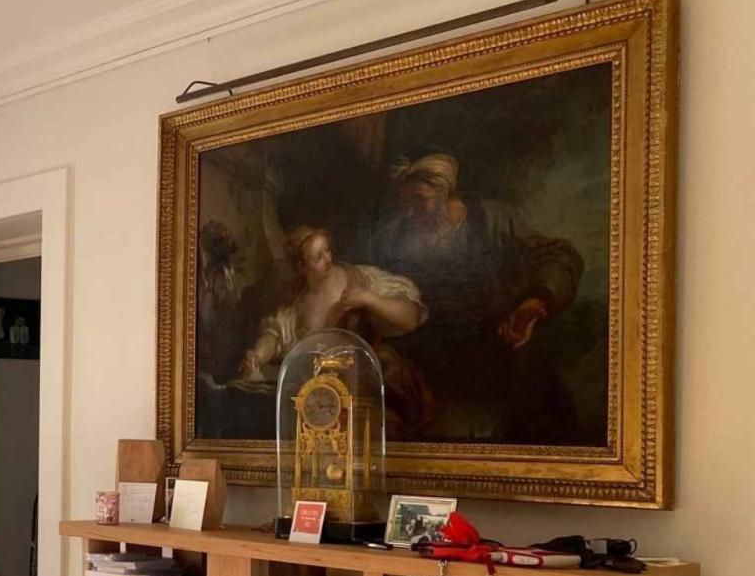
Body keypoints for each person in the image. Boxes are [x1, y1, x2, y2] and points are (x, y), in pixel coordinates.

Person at [358, 152, 586, 438]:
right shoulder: (399, 237)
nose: (410, 213)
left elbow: (556, 256)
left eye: (419, 200)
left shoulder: (491, 219)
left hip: (501, 348)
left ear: (445, 193)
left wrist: (536, 300)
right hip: (433, 362)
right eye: (406, 204)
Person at [238, 225, 425, 378]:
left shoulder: (359, 278)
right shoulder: (298, 302)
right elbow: (275, 334)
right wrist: (257, 356)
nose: (328, 258)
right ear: (302, 267)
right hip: (321, 387)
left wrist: (369, 298)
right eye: (318, 257)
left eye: (327, 250)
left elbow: (410, 318)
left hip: (367, 378)